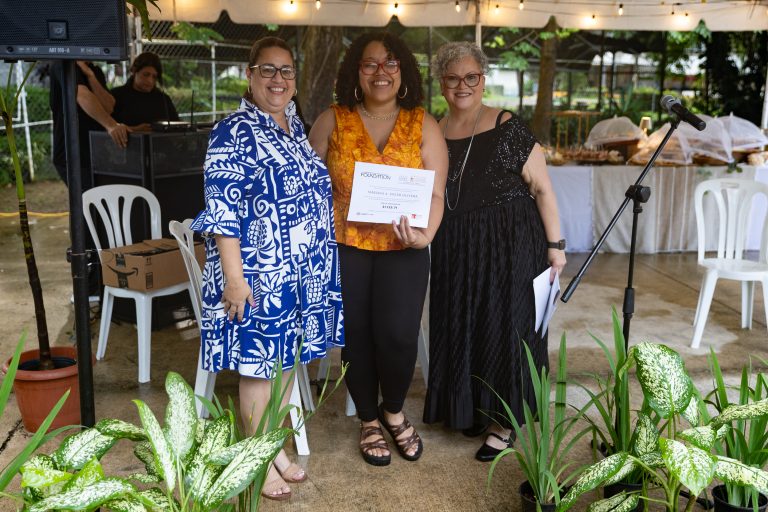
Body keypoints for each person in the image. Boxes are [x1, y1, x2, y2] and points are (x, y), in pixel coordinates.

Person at [190, 37, 344, 500]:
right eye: (268, 70)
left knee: (284, 365)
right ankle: (257, 462)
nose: (278, 79)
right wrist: (235, 281)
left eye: (286, 71)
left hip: (300, 275)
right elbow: (221, 212)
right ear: (250, 74)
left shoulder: (294, 127)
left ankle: (272, 449)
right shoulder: (232, 131)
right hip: (258, 276)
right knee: (258, 370)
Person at [422, 42, 567, 462]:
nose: (462, 85)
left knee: (508, 326)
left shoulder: (507, 125)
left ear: (483, 80)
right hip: (455, 244)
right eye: (453, 78)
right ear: (442, 84)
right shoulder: (434, 130)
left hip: (510, 242)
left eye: (471, 77)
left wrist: (555, 248)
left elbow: (542, 188)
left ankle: (504, 423)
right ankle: (473, 408)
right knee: (464, 323)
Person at [309, 32, 448, 466]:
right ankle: (369, 420)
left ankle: (394, 410)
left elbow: (437, 194)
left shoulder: (423, 124)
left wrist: (425, 235)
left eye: (390, 63)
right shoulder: (332, 120)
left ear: (403, 71)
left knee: (399, 335)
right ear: (356, 72)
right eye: (370, 64)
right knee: (356, 335)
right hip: (345, 247)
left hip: (405, 248)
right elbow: (306, 186)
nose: (380, 72)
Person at [49, 60, 129, 190]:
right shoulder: (64, 64)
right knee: (88, 198)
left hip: (95, 152)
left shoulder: (94, 70)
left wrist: (91, 76)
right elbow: (82, 96)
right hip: (72, 154)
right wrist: (111, 125)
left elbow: (109, 106)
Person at [111, 52, 179, 130]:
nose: (150, 80)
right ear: (134, 71)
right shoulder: (116, 96)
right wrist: (135, 129)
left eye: (154, 77)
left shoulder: (163, 99)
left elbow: (177, 128)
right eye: (146, 74)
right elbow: (107, 128)